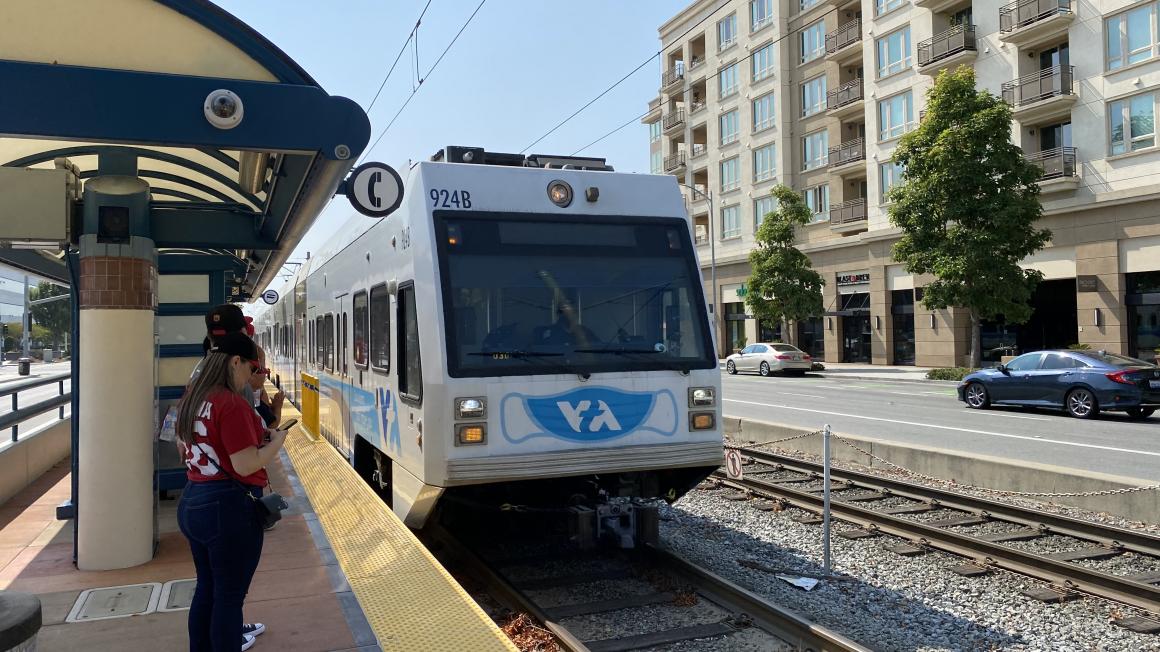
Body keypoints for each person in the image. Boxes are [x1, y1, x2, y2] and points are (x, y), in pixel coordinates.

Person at [175, 332, 288, 652]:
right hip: (226, 509)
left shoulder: (194, 397)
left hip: (194, 499)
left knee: (207, 589)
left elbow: (186, 449)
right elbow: (245, 464)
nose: (254, 375)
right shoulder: (231, 403)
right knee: (228, 598)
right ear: (235, 361)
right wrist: (276, 443)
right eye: (252, 367)